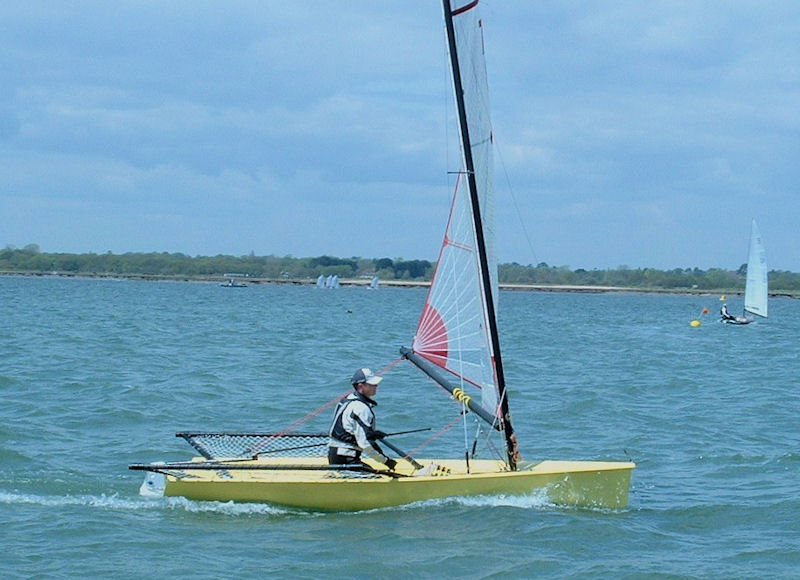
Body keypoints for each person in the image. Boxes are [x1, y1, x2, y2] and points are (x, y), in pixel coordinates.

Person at [328, 367, 397, 471]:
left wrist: (372, 433)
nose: (376, 386)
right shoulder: (361, 408)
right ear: (361, 386)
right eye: (372, 384)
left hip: (334, 455)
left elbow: (348, 428)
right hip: (346, 458)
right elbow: (365, 444)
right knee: (376, 480)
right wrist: (386, 461)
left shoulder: (347, 399)